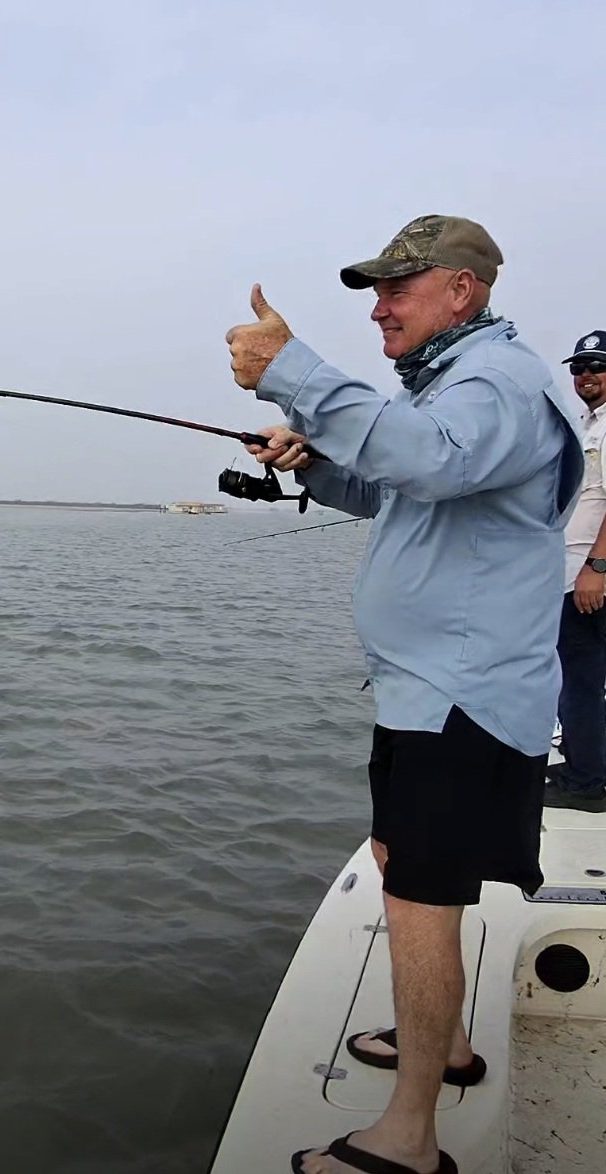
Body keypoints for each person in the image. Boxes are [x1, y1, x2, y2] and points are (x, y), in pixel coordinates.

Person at [224, 214, 583, 1174]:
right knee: (402, 859)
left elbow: (427, 460)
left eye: (397, 289)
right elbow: (402, 484)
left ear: (461, 291)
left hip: (462, 692)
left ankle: (411, 1137)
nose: (379, 309)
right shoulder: (458, 391)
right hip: (426, 691)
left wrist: (292, 367)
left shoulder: (497, 382)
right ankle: (447, 1042)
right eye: (376, 292)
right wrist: (323, 463)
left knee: (422, 891)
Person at [547, 331, 606, 812]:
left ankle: (587, 783)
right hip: (570, 575)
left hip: (589, 579)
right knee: (578, 675)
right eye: (578, 368)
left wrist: (597, 568)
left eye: (596, 366)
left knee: (581, 678)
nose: (585, 375)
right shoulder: (588, 424)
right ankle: (586, 763)